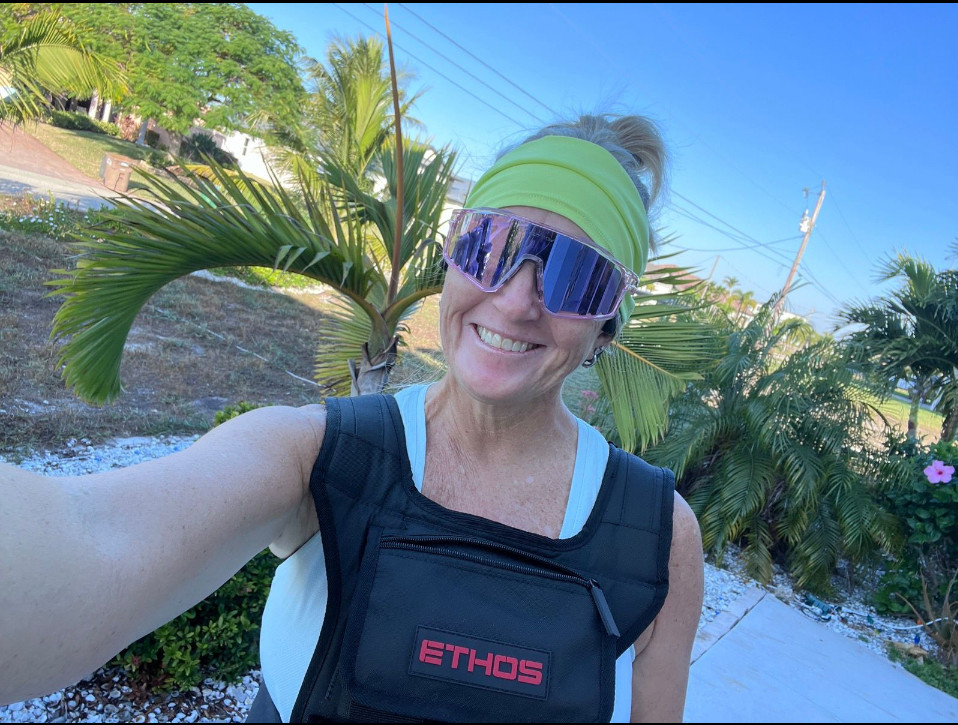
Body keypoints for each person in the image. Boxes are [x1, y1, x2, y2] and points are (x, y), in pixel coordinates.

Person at [0, 112, 704, 723]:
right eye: (492, 246)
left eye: (576, 275)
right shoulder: (319, 456)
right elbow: (95, 541)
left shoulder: (656, 535)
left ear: (606, 325)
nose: (518, 300)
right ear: (453, 255)